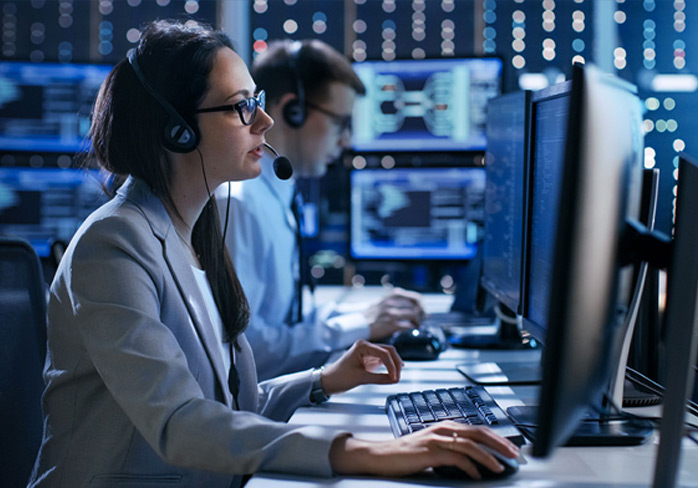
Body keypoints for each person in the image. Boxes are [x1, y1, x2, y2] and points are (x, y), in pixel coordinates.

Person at [28, 20, 518, 488]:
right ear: (178, 129)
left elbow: (227, 404)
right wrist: (365, 451)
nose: (264, 121)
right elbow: (180, 421)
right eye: (242, 106)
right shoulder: (113, 244)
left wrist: (323, 380)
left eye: (257, 102)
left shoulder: (194, 232)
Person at [216, 38, 425, 380]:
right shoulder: (238, 206)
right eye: (341, 123)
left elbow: (287, 317)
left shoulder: (277, 195)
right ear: (292, 111)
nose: (346, 141)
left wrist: (366, 316)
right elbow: (246, 351)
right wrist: (361, 324)